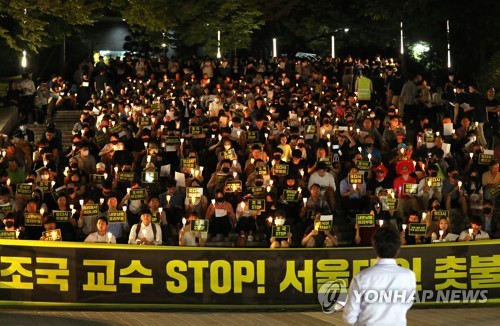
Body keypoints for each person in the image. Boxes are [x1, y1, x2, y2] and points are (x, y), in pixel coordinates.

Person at [343, 226, 416, 325]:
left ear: (374, 246)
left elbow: (350, 317)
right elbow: (407, 303)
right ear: (398, 248)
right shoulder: (409, 276)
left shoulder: (361, 277)